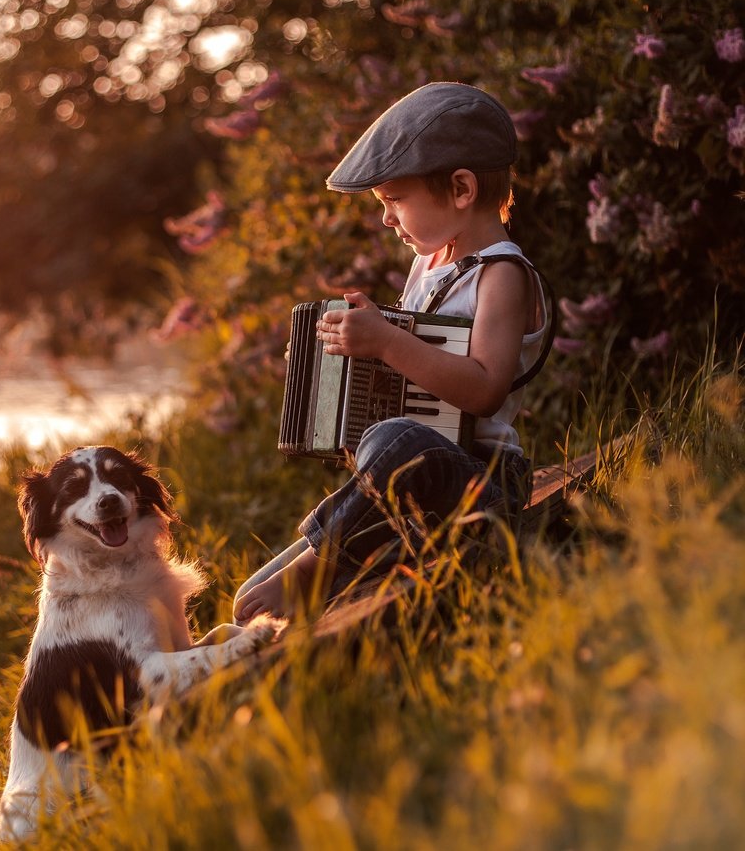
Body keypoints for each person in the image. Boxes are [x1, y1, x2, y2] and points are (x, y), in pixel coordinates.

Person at [233, 81, 548, 624]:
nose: (386, 219)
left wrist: (387, 339)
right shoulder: (428, 266)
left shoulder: (503, 276)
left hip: (484, 480)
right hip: (418, 477)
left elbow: (482, 388)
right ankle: (325, 558)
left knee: (394, 442)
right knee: (256, 590)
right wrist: (346, 352)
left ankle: (320, 564)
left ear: (462, 188)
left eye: (394, 201)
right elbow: (413, 378)